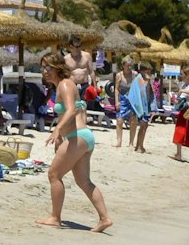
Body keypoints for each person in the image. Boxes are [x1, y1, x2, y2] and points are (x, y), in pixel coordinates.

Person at [38, 53, 112, 232]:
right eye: (43, 67)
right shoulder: (63, 85)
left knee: (54, 175)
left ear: (58, 67)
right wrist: (61, 136)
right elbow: (69, 113)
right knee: (83, 181)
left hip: (78, 136)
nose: (45, 71)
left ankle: (55, 217)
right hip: (82, 137)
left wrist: (57, 130)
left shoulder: (65, 84)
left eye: (48, 67)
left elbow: (71, 110)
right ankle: (105, 218)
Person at [126, 62, 154, 153]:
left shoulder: (144, 79)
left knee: (144, 125)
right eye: (147, 72)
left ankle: (139, 145)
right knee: (143, 125)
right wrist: (148, 81)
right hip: (140, 106)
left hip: (145, 106)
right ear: (142, 71)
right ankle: (139, 146)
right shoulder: (139, 79)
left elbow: (149, 93)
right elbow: (141, 93)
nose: (149, 74)